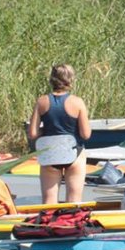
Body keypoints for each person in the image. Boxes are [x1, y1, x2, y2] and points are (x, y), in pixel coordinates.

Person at [28, 63, 92, 204]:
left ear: (52, 79)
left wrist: (45, 131)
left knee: (49, 202)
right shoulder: (78, 102)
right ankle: (71, 223)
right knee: (74, 201)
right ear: (70, 79)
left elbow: (32, 134)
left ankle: (49, 224)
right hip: (73, 154)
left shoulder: (41, 102)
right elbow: (86, 134)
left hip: (50, 154)